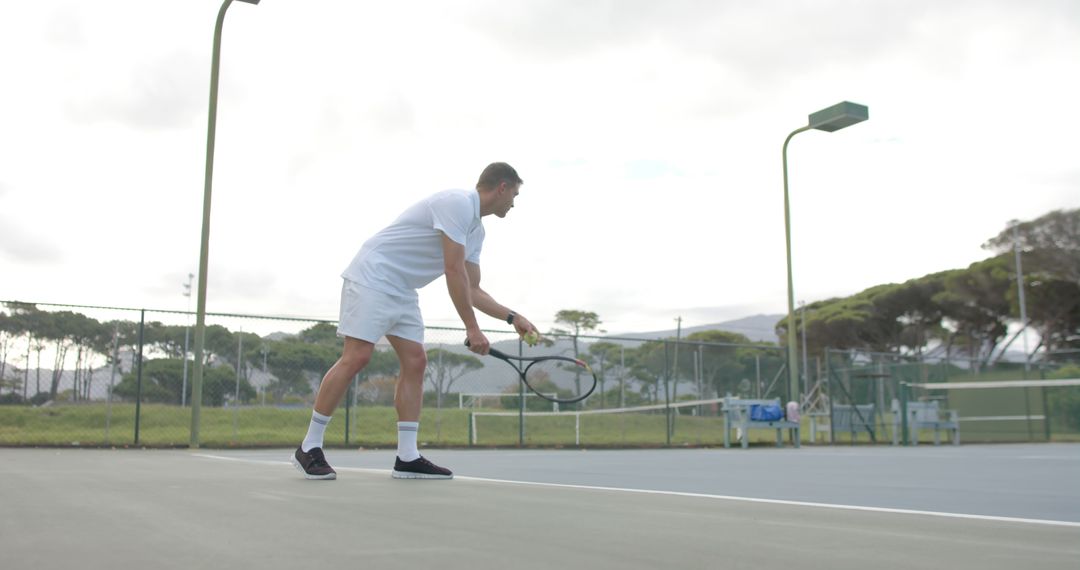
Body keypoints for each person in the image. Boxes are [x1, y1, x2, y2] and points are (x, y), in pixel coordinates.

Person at [292, 162, 538, 480]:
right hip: (373, 276)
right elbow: (453, 271)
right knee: (357, 357)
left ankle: (407, 457)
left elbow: (472, 288)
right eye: (514, 195)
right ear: (501, 187)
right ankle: (309, 446)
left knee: (416, 361)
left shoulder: (477, 231)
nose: (514, 203)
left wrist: (512, 317)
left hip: (403, 290)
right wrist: (472, 328)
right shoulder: (458, 203)